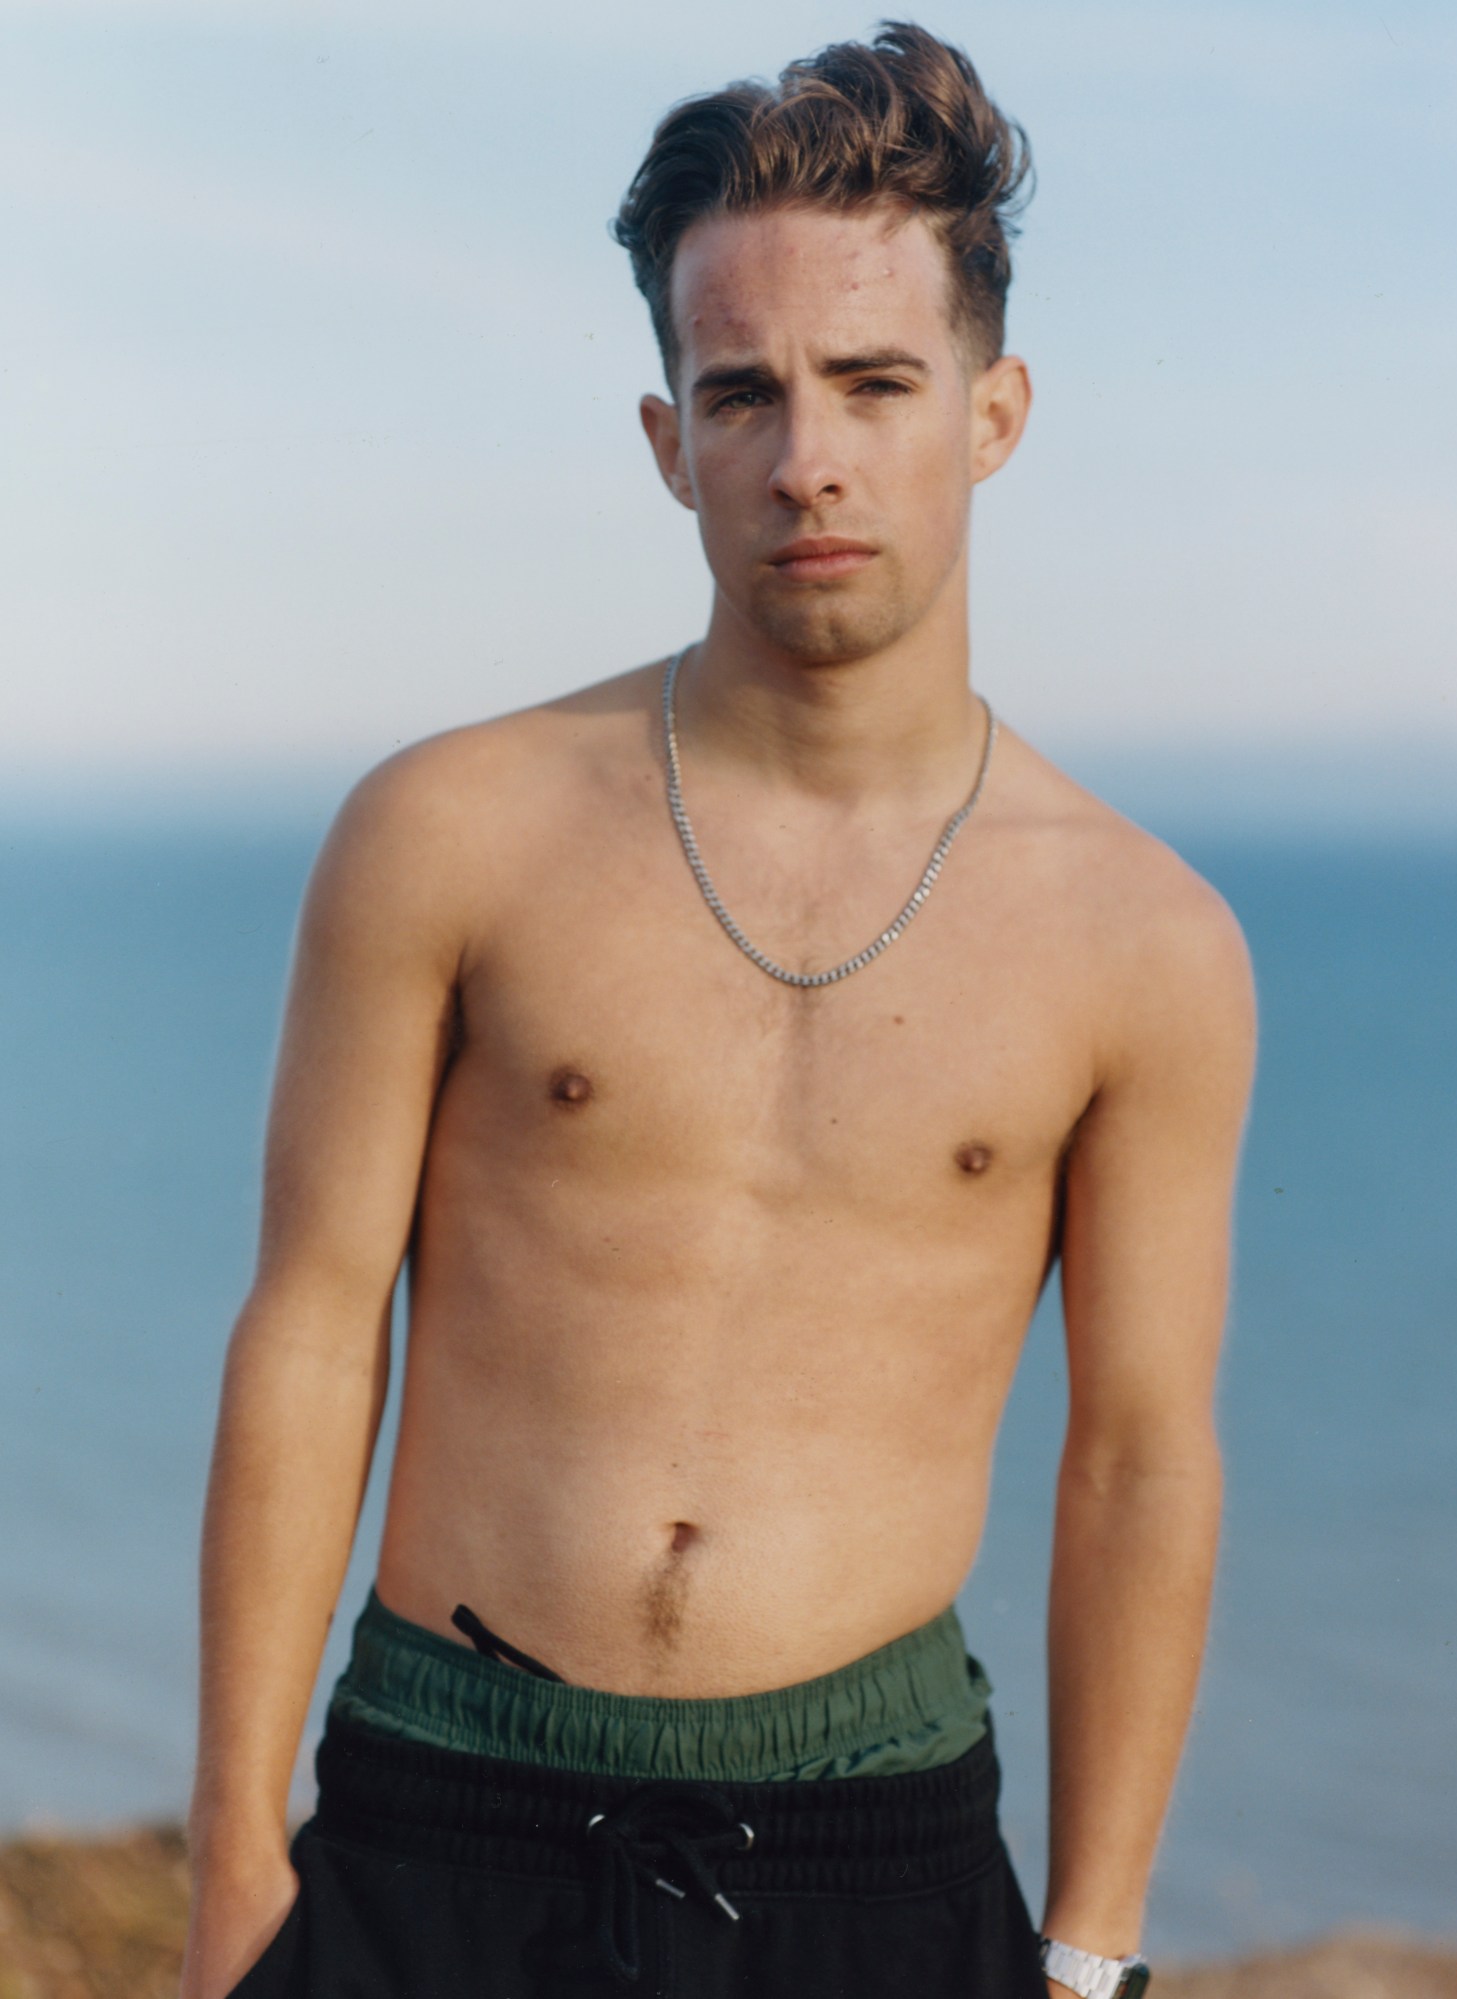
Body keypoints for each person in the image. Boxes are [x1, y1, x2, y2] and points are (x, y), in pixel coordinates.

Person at [179, 20, 1256, 1999]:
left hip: (870, 1847)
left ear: (991, 411)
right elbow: (312, 1322)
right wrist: (233, 1865)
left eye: (871, 383)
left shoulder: (1143, 939)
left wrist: (1088, 1955)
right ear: (669, 440)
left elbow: (1136, 1458)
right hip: (440, 1817)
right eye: (740, 393)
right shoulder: (447, 831)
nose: (809, 458)